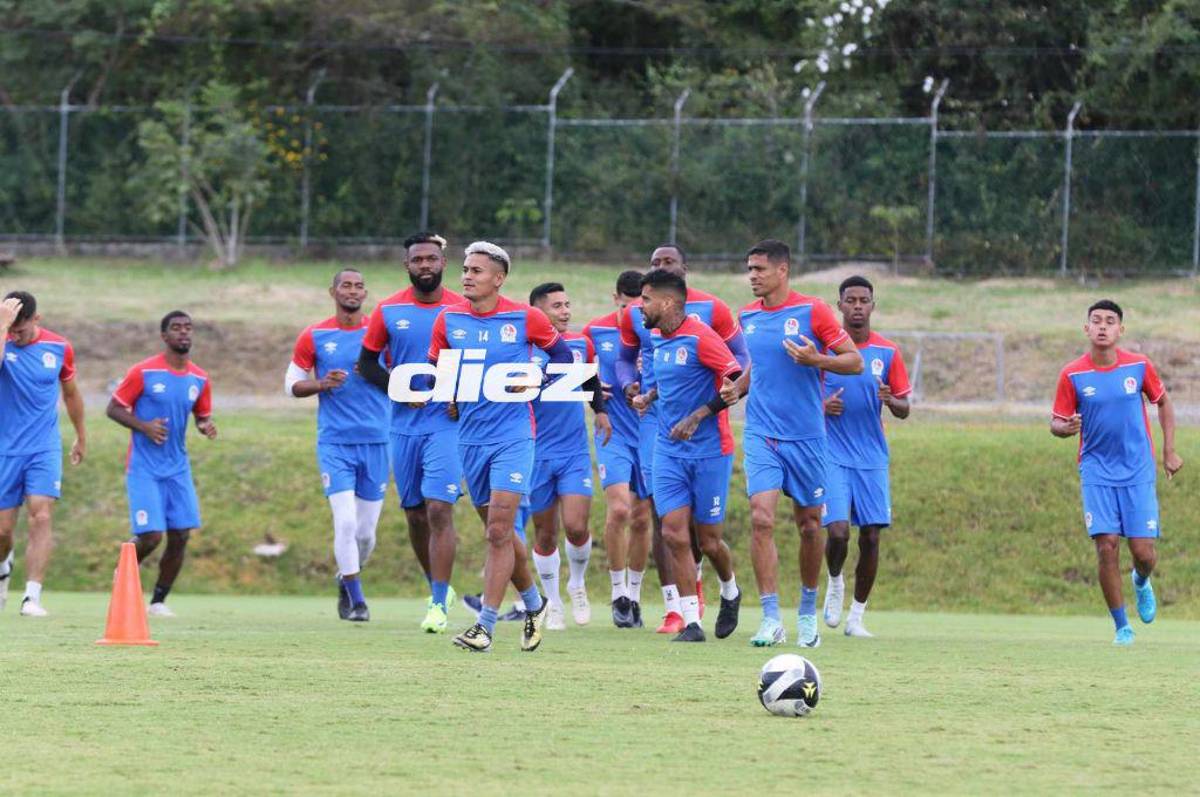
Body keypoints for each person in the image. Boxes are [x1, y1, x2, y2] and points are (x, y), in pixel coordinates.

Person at [424, 241, 575, 653]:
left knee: (497, 531)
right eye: (466, 269)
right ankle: (534, 603)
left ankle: (484, 627)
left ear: (499, 278)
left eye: (476, 270)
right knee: (503, 536)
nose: (467, 276)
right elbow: (439, 367)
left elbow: (560, 354)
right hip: (469, 440)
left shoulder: (525, 317)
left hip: (514, 437)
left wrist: (534, 374)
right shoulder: (448, 319)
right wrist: (448, 393)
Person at [722, 240, 863, 648]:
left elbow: (852, 361)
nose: (752, 276)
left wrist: (815, 360)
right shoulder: (746, 316)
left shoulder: (813, 311)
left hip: (807, 437)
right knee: (761, 518)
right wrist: (738, 388)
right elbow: (758, 366)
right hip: (762, 433)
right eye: (749, 269)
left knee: (809, 525)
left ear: (782, 271)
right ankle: (770, 618)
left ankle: (806, 613)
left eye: (759, 269)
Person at [615, 244, 749, 634]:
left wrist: (699, 415)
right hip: (668, 449)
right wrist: (647, 395)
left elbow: (733, 381)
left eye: (645, 300)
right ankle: (690, 619)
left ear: (669, 303)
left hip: (709, 451)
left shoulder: (703, 336)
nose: (639, 308)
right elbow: (668, 381)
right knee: (673, 532)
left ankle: (729, 589)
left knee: (708, 541)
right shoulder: (658, 339)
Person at [1051, 299, 1182, 646]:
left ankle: (1141, 581)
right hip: (1096, 471)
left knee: (1143, 553)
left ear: (1121, 330)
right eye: (1097, 320)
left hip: (1137, 470)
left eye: (1110, 321)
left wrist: (1169, 450)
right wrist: (1064, 429)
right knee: (1106, 546)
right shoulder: (1072, 374)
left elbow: (1164, 403)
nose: (1103, 326)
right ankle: (1122, 626)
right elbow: (1056, 421)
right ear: (1087, 329)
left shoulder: (1138, 366)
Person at [358, 232, 465, 633]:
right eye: (417, 259)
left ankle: (437, 603)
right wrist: (397, 391)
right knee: (416, 515)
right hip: (402, 427)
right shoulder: (388, 310)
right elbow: (366, 364)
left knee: (439, 508)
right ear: (407, 265)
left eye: (431, 259)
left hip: (447, 423)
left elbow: (478, 360)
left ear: (443, 263)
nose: (425, 265)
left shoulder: (462, 308)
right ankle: (436, 586)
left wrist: (460, 398)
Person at [286, 268, 390, 622]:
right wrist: (321, 384)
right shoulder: (315, 335)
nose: (353, 290)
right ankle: (356, 600)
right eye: (346, 285)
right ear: (333, 291)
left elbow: (403, 379)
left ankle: (345, 576)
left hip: (378, 442)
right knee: (344, 524)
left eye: (359, 285)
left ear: (365, 293)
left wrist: (376, 375)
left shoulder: (382, 334)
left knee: (366, 535)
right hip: (335, 444)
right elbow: (291, 385)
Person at [106, 311, 217, 617]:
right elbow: (113, 409)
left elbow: (201, 415)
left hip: (177, 468)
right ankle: (123, 572)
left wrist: (205, 426)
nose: (184, 333)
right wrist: (143, 426)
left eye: (188, 328)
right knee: (152, 535)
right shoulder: (143, 372)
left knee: (181, 534)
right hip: (144, 467)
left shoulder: (199, 378)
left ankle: (157, 601)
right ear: (164, 336)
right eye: (176, 328)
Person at [821, 275, 911, 638]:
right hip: (832, 454)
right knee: (839, 532)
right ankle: (834, 581)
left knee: (871, 536)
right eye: (850, 300)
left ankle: (856, 617)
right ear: (839, 305)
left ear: (873, 306)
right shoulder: (824, 351)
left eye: (864, 300)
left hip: (872, 457)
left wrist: (892, 400)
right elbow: (804, 399)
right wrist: (822, 405)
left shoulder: (887, 353)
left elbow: (905, 407)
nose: (857, 306)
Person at [527, 282, 612, 630]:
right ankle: (553, 602)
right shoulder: (523, 348)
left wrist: (601, 411)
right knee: (545, 534)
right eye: (556, 306)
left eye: (567, 304)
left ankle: (577, 583)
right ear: (537, 313)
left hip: (573, 450)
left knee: (577, 527)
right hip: (534, 452)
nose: (565, 311)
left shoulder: (580, 343)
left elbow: (589, 381)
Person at [0, 292, 86, 616]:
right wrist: (1, 328)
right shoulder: (2, 338)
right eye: (10, 329)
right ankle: (4, 565)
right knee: (2, 532)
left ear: (36, 320)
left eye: (19, 330)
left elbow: (72, 394)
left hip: (43, 446)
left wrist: (81, 436)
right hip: (4, 449)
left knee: (42, 513)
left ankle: (31, 597)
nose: (14, 335)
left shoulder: (59, 347)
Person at [583, 271, 653, 628]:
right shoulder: (596, 330)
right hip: (613, 433)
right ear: (615, 299)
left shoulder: (657, 330)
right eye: (625, 304)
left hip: (651, 434)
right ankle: (617, 594)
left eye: (638, 304)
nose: (631, 312)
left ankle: (636, 595)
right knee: (620, 510)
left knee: (642, 517)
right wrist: (595, 393)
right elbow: (575, 366)